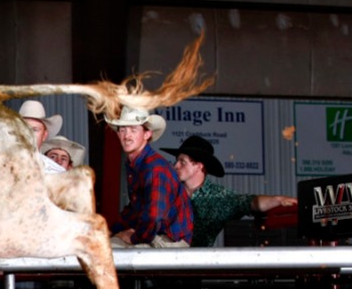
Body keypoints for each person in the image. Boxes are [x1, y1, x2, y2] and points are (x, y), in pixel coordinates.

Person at [161, 135, 298, 247]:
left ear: (198, 166)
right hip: (158, 263)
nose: (175, 165)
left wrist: (278, 200)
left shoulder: (218, 197)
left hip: (191, 266)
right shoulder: (168, 190)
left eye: (182, 161)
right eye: (176, 161)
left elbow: (250, 202)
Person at [106, 106, 193, 248]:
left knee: (113, 254)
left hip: (169, 241)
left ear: (147, 134)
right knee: (103, 248)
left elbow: (153, 216)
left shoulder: (154, 168)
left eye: (133, 130)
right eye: (122, 130)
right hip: (153, 234)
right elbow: (135, 209)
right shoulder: (135, 164)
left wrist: (133, 237)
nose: (127, 136)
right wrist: (112, 230)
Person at [19, 100, 65, 174]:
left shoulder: (57, 173)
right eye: (24, 128)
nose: (29, 134)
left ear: (44, 135)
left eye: (35, 130)